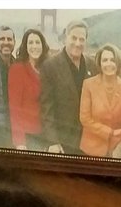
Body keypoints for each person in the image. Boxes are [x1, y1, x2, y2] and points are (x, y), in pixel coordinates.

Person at [39, 20, 94, 154]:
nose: (77, 43)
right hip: (62, 142)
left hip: (87, 140)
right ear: (65, 38)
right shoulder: (50, 66)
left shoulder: (91, 65)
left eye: (82, 39)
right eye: (74, 38)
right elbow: (46, 107)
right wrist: (52, 141)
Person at [79, 44, 121, 158]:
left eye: (112, 60)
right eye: (105, 60)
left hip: (117, 148)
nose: (109, 64)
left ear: (118, 63)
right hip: (92, 149)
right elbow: (85, 119)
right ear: (99, 63)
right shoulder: (88, 84)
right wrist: (110, 132)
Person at [8, 28, 50, 151]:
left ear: (43, 46)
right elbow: (14, 108)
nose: (34, 46)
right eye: (30, 43)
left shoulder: (48, 69)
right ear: (25, 47)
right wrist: (20, 142)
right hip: (27, 137)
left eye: (37, 42)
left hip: (45, 136)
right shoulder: (17, 69)